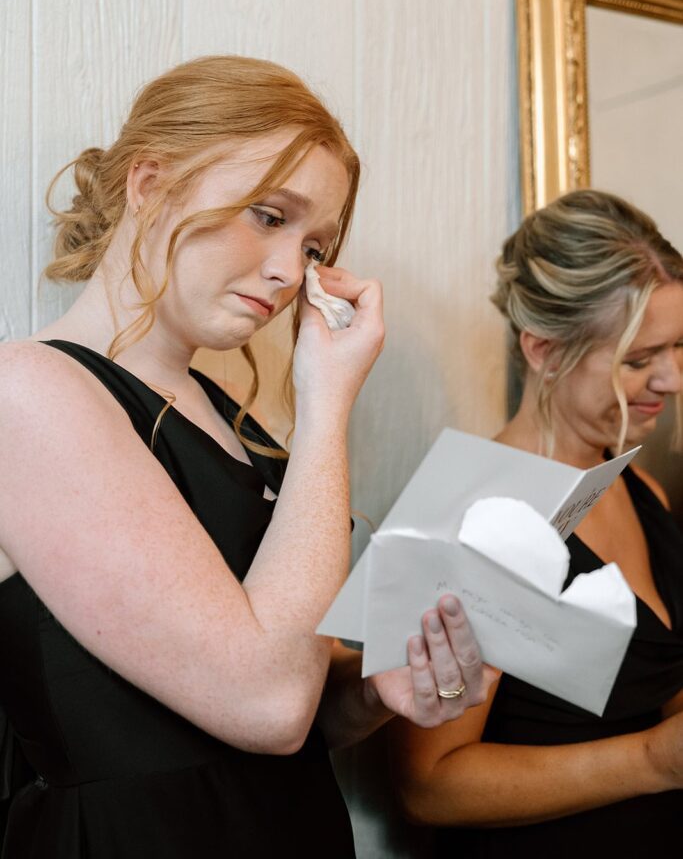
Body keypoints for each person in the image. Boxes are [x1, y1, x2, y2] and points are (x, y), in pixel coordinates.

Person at [0, 56, 495, 858]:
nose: (288, 272)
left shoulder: (235, 421)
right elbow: (264, 704)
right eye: (269, 216)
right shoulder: (29, 390)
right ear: (150, 183)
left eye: (314, 246)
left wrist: (375, 691)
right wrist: (328, 406)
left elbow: (298, 706)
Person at [391, 189, 683, 856]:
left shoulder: (641, 489)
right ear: (544, 351)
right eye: (639, 359)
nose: (670, 379)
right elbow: (427, 786)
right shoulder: (463, 514)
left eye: (678, 347)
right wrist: (651, 762)